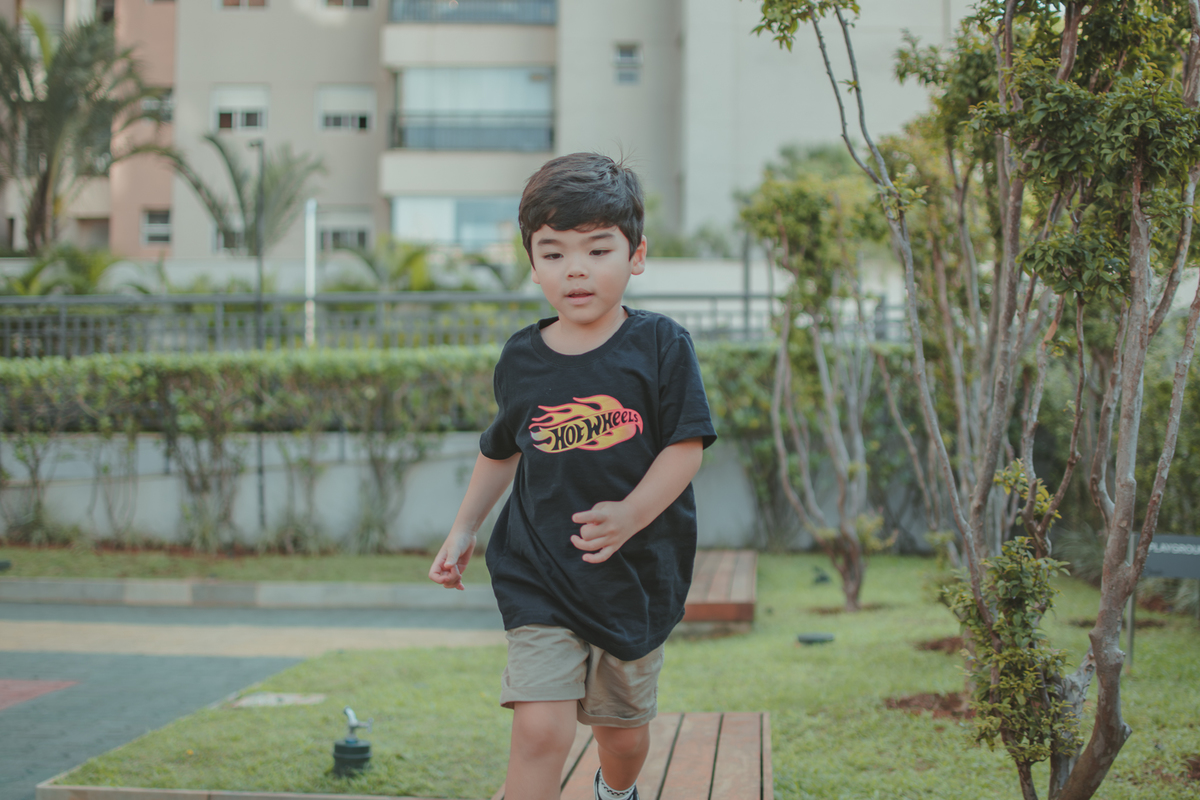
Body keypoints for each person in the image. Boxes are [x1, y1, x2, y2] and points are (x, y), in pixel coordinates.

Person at [429, 152, 717, 800]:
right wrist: (464, 527)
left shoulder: (661, 346)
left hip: (633, 579)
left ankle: (616, 792)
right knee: (538, 730)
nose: (575, 269)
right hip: (540, 572)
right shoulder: (522, 358)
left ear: (635, 255)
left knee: (622, 736)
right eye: (554, 253)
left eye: (596, 249)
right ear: (533, 263)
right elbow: (503, 449)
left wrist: (630, 515)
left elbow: (686, 446)